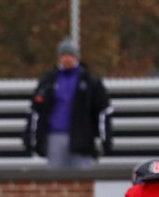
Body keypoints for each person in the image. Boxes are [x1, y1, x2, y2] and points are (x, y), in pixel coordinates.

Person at [24, 38, 113, 169]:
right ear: (58, 57)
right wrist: (30, 137)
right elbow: (35, 109)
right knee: (55, 179)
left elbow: (103, 110)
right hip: (54, 137)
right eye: (64, 55)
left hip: (82, 139)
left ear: (76, 57)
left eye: (71, 55)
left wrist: (103, 139)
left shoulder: (89, 81)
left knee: (82, 178)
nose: (67, 59)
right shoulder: (48, 81)